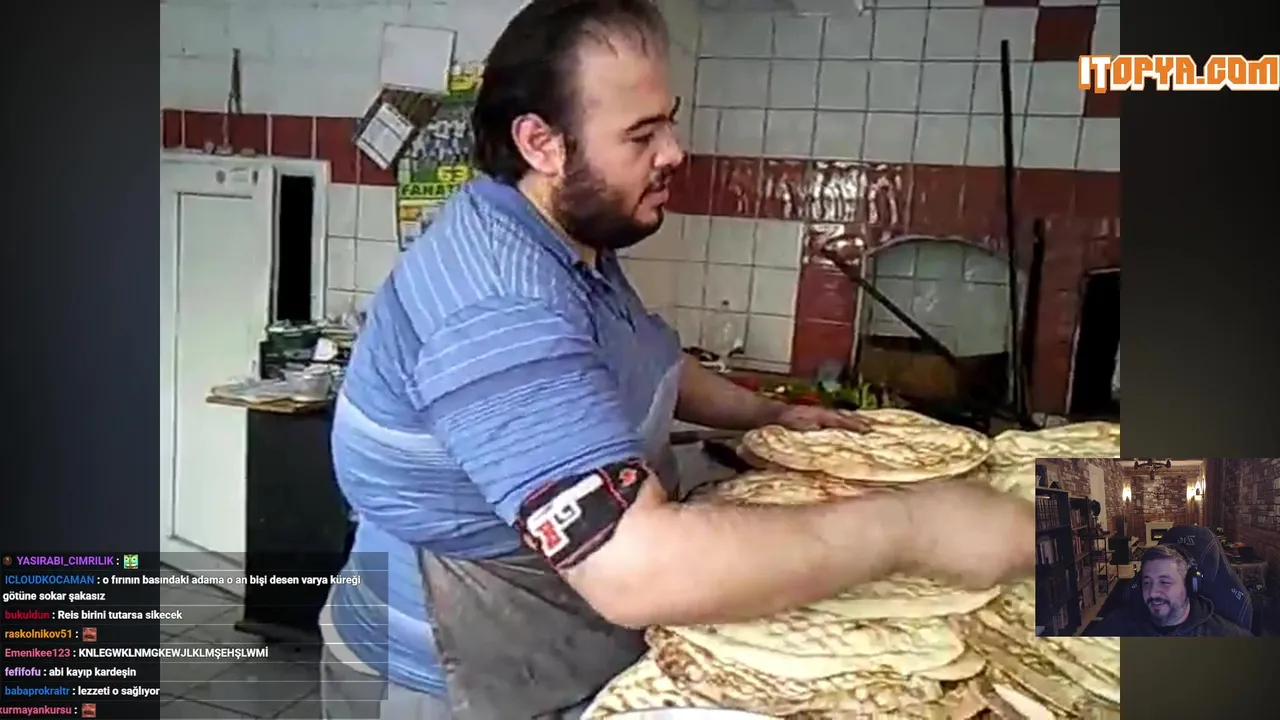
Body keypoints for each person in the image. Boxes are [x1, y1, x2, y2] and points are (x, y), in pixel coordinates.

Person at [318, 1, 1035, 718]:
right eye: (642, 134)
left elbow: (642, 362)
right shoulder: (499, 304)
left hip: (562, 637)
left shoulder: (560, 239)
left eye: (670, 122)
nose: (674, 152)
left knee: (1099, 559)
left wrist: (771, 415)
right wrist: (914, 527)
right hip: (450, 675)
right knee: (1078, 590)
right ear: (541, 143)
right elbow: (634, 569)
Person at [1085, 543, 1252, 637]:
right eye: (1147, 582)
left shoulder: (1223, 634)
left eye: (1164, 582)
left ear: (1190, 585)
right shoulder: (1118, 624)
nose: (1152, 592)